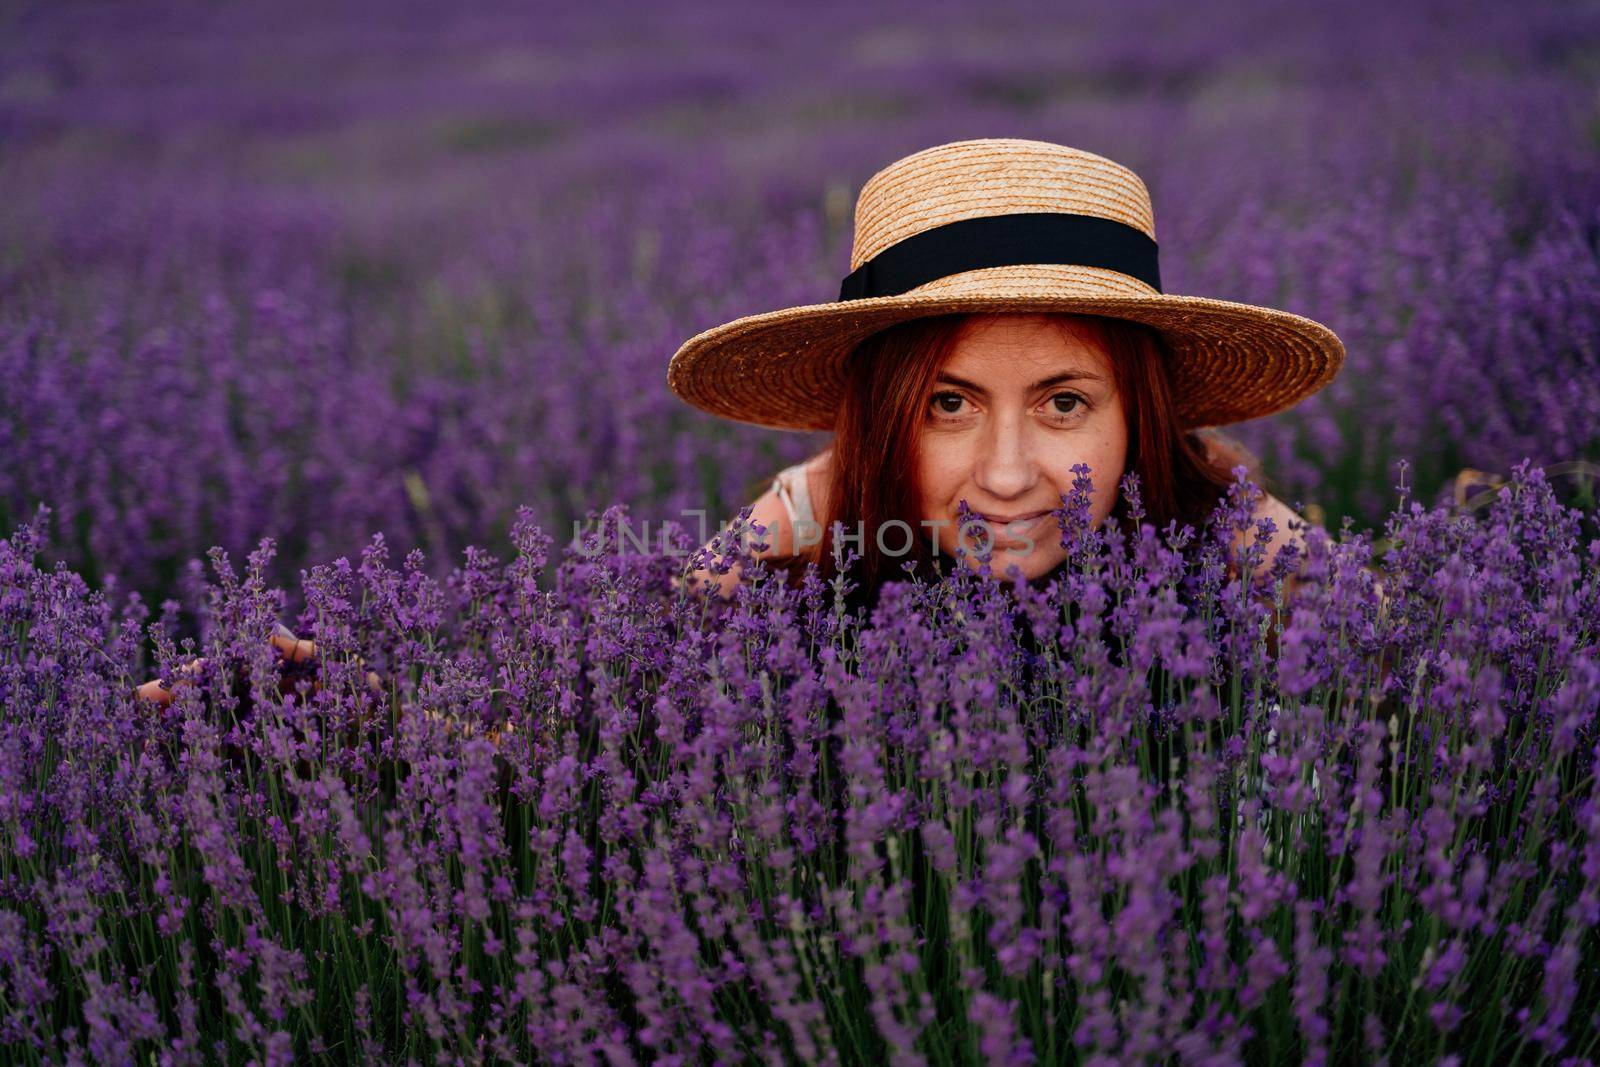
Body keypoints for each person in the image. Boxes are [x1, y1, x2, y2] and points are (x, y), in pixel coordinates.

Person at [666, 137, 1344, 610]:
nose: (1008, 475)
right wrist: (814, 503)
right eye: (950, 404)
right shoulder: (822, 547)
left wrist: (1231, 514)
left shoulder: (1215, 557)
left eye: (1066, 402)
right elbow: (666, 655)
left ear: (1142, 415)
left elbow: (1396, 663)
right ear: (882, 417)